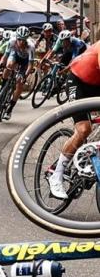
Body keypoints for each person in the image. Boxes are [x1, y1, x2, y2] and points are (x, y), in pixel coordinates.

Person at [47, 40, 100, 199]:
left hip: (97, 85)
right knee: (84, 129)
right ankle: (56, 175)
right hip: (78, 81)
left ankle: (91, 153)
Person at [0, 26, 35, 120]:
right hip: (15, 56)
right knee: (8, 65)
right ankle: (3, 86)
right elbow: (5, 56)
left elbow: (30, 65)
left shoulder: (31, 46)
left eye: (24, 40)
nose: (21, 42)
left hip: (25, 61)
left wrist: (25, 76)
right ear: (16, 38)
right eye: (19, 39)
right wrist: (1, 64)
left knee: (19, 84)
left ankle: (10, 108)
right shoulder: (11, 42)